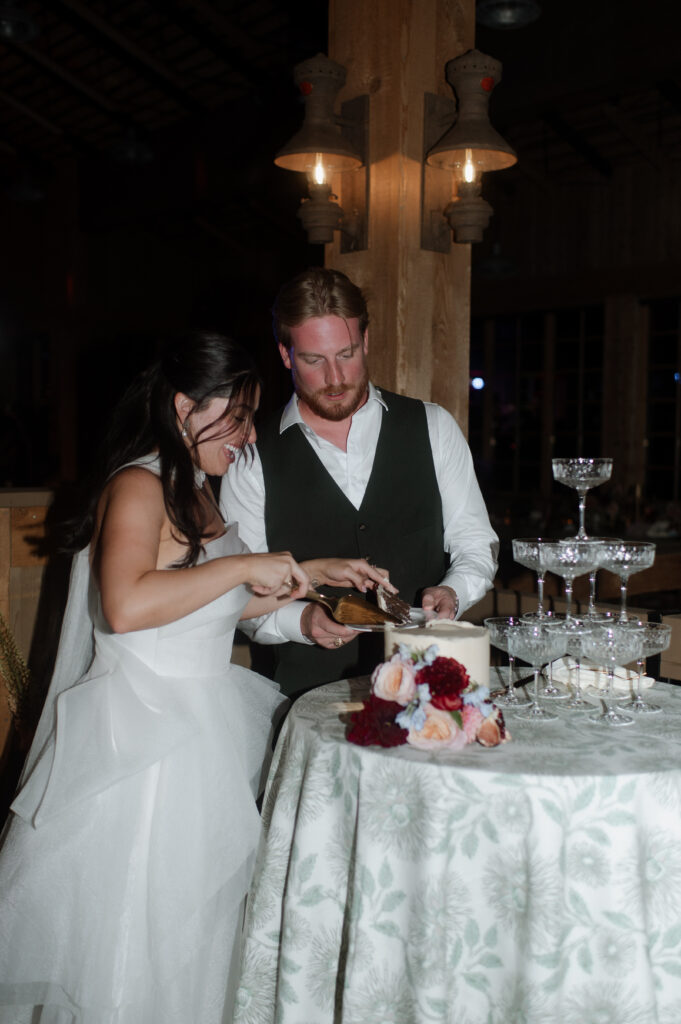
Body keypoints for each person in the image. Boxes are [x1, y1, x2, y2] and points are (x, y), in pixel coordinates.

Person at [0, 329, 386, 1024]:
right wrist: (241, 565)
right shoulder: (138, 483)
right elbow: (125, 606)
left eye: (249, 417)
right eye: (234, 416)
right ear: (184, 406)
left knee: (197, 935)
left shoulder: (201, 492)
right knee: (134, 939)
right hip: (143, 744)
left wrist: (313, 587)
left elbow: (211, 605)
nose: (245, 435)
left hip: (201, 732)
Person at [221, 268, 499, 698]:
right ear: (286, 354)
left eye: (347, 354)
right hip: (309, 699)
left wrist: (454, 591)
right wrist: (303, 622)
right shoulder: (251, 457)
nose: (335, 378)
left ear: (365, 341)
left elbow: (476, 544)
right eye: (314, 360)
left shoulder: (432, 426)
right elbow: (240, 597)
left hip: (432, 695)